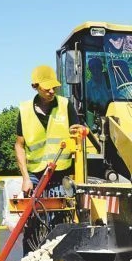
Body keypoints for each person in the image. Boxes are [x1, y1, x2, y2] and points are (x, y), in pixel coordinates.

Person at [15, 65, 87, 196]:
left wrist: (81, 132)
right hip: (35, 175)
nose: (52, 91)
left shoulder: (65, 104)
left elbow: (78, 133)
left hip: (62, 173)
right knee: (33, 213)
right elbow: (19, 146)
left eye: (54, 87)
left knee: (63, 213)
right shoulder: (24, 110)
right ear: (35, 87)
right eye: (47, 89)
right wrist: (25, 178)